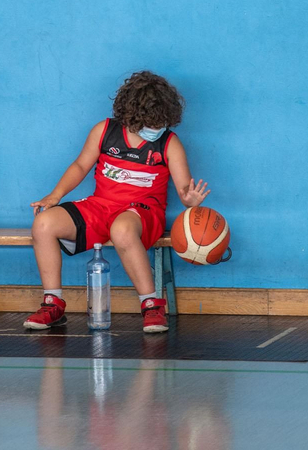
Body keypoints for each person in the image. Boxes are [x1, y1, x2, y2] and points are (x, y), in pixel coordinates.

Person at [25, 70, 208, 334]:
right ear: (131, 116)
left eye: (161, 123)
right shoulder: (104, 131)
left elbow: (184, 189)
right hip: (102, 205)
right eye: (150, 123)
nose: (156, 129)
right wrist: (55, 195)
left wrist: (190, 200)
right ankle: (52, 303)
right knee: (43, 223)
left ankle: (151, 304)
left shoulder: (169, 143)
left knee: (121, 229)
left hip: (143, 212)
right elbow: (79, 166)